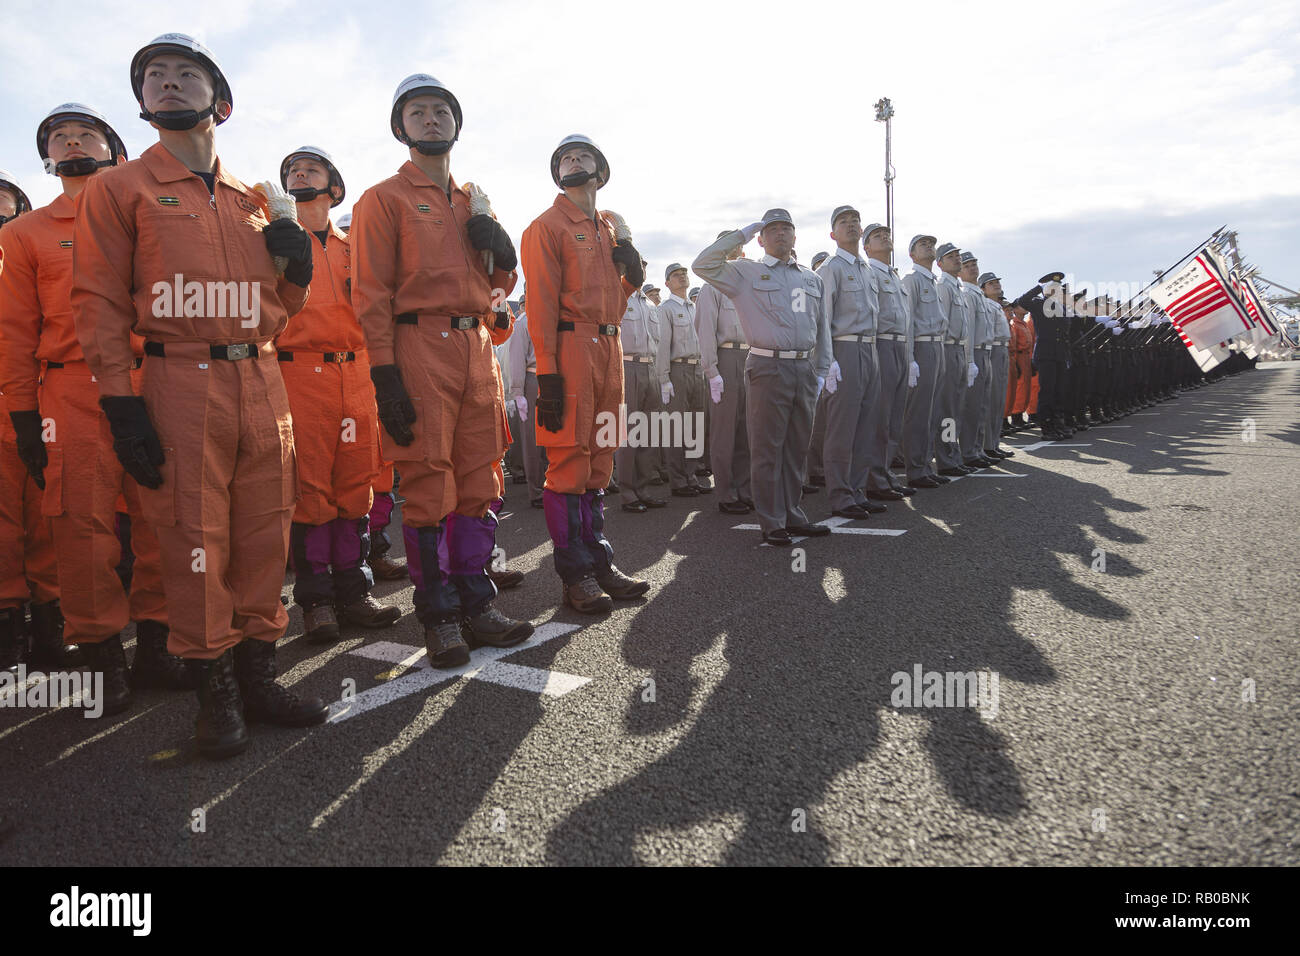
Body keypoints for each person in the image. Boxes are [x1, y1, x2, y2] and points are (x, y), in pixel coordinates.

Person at [72, 33, 328, 755]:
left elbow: (279, 313)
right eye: (154, 76)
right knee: (193, 540)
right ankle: (215, 694)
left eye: (188, 73)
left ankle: (259, 677)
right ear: (143, 103)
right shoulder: (116, 190)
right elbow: (97, 302)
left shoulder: (255, 200)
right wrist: (122, 402)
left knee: (263, 532)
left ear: (223, 101)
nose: (169, 82)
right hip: (179, 380)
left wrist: (295, 271)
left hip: (261, 377)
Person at [5, 102, 197, 715]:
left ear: (116, 147)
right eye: (57, 136)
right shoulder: (23, 235)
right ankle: (101, 655)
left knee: (161, 518)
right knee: (81, 526)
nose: (69, 141)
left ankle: (158, 644)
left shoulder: (150, 213)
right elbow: (13, 333)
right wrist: (23, 416)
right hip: (71, 392)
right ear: (47, 158)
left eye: (83, 132)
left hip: (154, 383)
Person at [351, 73, 534, 666]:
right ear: (400, 128)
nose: (431, 120)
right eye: (418, 112)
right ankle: (440, 614)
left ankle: (477, 601)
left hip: (477, 344)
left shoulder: (474, 202)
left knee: (481, 481)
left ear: (456, 125)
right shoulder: (383, 199)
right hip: (419, 344)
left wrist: (504, 258)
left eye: (441, 111)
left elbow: (499, 287)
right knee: (430, 485)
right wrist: (384, 375)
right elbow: (371, 294)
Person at [520, 134, 650, 612]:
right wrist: (549, 375)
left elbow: (615, 303)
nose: (574, 161)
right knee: (569, 464)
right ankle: (575, 574)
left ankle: (600, 562)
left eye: (583, 156)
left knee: (600, 461)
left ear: (601, 172)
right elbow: (540, 306)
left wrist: (631, 279)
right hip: (571, 348)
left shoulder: (609, 230)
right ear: (558, 174)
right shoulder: (547, 226)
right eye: (565, 158)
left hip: (609, 346)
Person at [275, 146, 399, 642]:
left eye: (312, 168)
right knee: (310, 493)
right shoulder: (274, 238)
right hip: (299, 374)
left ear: (335, 187)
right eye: (291, 171)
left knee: (356, 487)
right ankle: (316, 600)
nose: (299, 172)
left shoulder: (356, 246)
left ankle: (355, 590)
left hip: (358, 373)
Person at [693, 209, 831, 546]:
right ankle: (772, 520)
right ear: (761, 238)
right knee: (768, 446)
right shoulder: (745, 273)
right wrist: (741, 233)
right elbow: (702, 265)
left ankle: (793, 512)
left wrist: (823, 368)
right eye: (772, 229)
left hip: (803, 366)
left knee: (797, 447)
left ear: (795, 236)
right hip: (767, 366)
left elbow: (821, 326)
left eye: (786, 228)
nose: (780, 234)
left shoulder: (811, 279)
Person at [0, 169, 59, 671]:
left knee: (47, 519)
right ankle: (8, 631)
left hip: (37, 402)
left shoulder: (32, 254)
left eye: (5, 198)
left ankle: (50, 626)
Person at [815, 205, 885, 519]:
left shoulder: (867, 268)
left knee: (866, 426)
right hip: (844, 350)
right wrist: (828, 361)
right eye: (844, 222)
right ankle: (841, 495)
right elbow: (822, 318)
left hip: (869, 350)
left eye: (855, 220)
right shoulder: (830, 268)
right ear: (833, 233)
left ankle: (858, 491)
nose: (852, 225)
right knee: (842, 429)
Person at [696, 230, 752, 515]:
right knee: (724, 431)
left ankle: (745, 488)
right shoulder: (711, 287)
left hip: (751, 356)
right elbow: (705, 331)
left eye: (737, 243)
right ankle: (727, 493)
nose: (734, 248)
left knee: (746, 429)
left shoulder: (748, 282)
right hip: (726, 357)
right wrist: (711, 370)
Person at [861, 223, 916, 501]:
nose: (884, 237)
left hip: (899, 344)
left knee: (895, 415)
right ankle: (873, 478)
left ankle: (885, 473)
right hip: (880, 342)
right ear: (866, 247)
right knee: (879, 416)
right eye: (876, 236)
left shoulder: (894, 276)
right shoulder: (869, 272)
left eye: (886, 234)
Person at [655, 262, 708, 498]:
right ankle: (678, 480)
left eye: (684, 273)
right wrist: (664, 378)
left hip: (697, 369)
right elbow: (663, 346)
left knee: (695, 425)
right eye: (676, 275)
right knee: (676, 426)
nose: (682, 277)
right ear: (668, 283)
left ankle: (691, 475)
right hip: (677, 370)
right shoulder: (665, 308)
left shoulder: (694, 307)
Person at [616, 277, 666, 513]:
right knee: (628, 434)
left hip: (650, 367)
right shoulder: (618, 296)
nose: (641, 271)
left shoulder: (649, 305)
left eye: (643, 267)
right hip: (627, 366)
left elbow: (658, 342)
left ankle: (644, 489)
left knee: (648, 433)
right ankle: (627, 492)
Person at [900, 234, 947, 489]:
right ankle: (915, 469)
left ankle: (925, 465)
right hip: (921, 346)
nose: (929, 247)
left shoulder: (933, 280)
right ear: (912, 254)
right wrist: (910, 358)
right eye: (922, 244)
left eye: (931, 244)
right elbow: (907, 321)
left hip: (937, 345)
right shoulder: (911, 280)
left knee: (932, 411)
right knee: (918, 412)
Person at [933, 242, 977, 477]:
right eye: (950, 256)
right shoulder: (943, 286)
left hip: (959, 350)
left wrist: (968, 359)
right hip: (948, 349)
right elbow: (942, 325)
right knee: (947, 409)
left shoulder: (957, 287)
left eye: (957, 255)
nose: (957, 259)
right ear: (940, 263)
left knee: (956, 407)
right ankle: (945, 457)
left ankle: (953, 453)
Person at [1016, 272, 1070, 439]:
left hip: (1059, 354)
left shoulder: (1061, 307)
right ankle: (1047, 427)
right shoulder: (1039, 304)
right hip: (1046, 354)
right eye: (1053, 287)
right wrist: (1038, 288)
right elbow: (1022, 302)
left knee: (1059, 391)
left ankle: (1058, 423)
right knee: (1047, 391)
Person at [958, 252, 995, 467]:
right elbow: (968, 330)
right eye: (967, 265)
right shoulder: (968, 294)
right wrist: (969, 359)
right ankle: (967, 450)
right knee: (970, 406)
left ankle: (977, 448)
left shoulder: (978, 294)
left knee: (981, 405)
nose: (972, 268)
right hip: (975, 352)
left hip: (985, 351)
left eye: (974, 264)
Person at [979, 273, 1015, 459]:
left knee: (999, 399)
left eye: (997, 282)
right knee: (991, 400)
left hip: (1002, 349)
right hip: (992, 349)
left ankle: (994, 443)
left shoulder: (998, 307)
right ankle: (987, 445)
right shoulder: (986, 306)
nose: (996, 285)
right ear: (983, 289)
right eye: (991, 283)